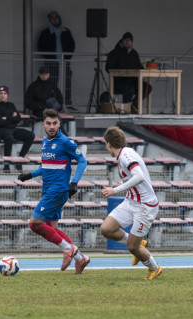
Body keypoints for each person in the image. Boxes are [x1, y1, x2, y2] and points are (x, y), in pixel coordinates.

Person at [16, 109, 89, 273]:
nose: (52, 126)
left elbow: (82, 161)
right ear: (43, 125)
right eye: (48, 123)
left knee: (34, 224)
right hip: (48, 189)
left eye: (55, 123)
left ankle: (68, 249)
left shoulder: (66, 142)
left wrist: (74, 183)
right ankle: (81, 258)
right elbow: (48, 166)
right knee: (52, 228)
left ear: (59, 123)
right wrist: (30, 175)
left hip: (58, 190)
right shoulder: (45, 142)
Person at [99, 126, 163, 280]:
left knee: (133, 247)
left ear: (108, 144)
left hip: (145, 206)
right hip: (131, 202)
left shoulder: (125, 156)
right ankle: (141, 244)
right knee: (106, 229)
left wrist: (114, 190)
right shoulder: (125, 153)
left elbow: (139, 176)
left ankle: (154, 268)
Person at [37, 10, 76, 110]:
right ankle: (52, 103)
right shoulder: (46, 32)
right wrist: (49, 57)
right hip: (52, 62)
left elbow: (72, 45)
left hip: (64, 61)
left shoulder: (66, 31)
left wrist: (67, 57)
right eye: (52, 18)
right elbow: (40, 46)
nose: (54, 19)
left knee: (67, 81)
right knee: (52, 82)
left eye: (56, 17)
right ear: (49, 20)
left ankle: (67, 103)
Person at [0, 85, 33, 171]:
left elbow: (18, 119)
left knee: (30, 135)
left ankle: (19, 160)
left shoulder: (11, 105)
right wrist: (12, 118)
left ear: (7, 95)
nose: (2, 95)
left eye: (5, 93)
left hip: (11, 129)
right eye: (1, 93)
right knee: (9, 137)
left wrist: (7, 118)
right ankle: (7, 165)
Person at [106, 31, 150, 111]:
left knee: (147, 87)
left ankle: (134, 105)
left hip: (133, 80)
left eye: (129, 40)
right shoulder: (114, 53)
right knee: (129, 89)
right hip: (120, 81)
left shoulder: (134, 53)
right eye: (126, 40)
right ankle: (127, 108)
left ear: (132, 42)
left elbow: (139, 67)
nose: (127, 42)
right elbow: (108, 68)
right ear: (122, 41)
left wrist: (147, 68)